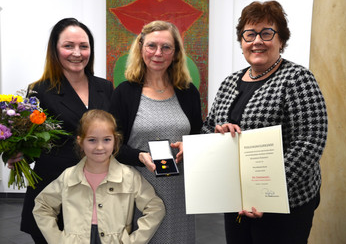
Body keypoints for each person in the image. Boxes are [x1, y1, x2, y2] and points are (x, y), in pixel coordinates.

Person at [201, 1, 328, 244]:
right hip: (236, 200)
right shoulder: (229, 82)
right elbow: (208, 126)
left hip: (285, 204)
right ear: (241, 42)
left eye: (267, 33)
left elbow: (310, 140)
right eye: (249, 34)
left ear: (281, 40)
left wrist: (267, 192)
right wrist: (218, 133)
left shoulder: (297, 78)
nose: (257, 40)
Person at [8, 18, 114, 243]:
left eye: (83, 46)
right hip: (54, 191)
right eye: (68, 46)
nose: (77, 53)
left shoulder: (105, 87)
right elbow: (31, 142)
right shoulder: (39, 90)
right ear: (55, 50)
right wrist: (17, 155)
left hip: (100, 192)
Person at [110, 20, 203, 243]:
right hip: (139, 189)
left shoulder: (188, 92)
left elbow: (199, 135)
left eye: (166, 47)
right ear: (140, 48)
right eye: (151, 46)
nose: (158, 53)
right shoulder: (124, 93)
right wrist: (138, 156)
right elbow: (111, 144)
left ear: (176, 53)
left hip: (180, 190)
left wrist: (189, 146)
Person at [33, 109, 165, 244]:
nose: (100, 147)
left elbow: (155, 207)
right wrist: (57, 240)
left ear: (115, 141)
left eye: (107, 139)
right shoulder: (68, 176)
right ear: (80, 141)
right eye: (92, 140)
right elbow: (43, 206)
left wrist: (134, 241)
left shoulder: (129, 176)